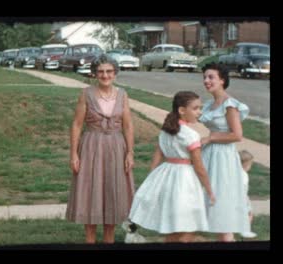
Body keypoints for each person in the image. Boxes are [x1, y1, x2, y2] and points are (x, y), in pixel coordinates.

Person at [128, 91, 215, 243]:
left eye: (200, 108)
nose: (199, 112)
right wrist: (209, 190)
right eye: (195, 108)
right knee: (188, 224)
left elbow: (158, 154)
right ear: (182, 110)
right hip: (184, 179)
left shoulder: (166, 131)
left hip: (166, 174)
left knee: (175, 225)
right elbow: (199, 167)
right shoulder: (191, 135)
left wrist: (152, 178)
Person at [65, 54, 135, 244]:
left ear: (115, 73)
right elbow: (77, 125)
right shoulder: (86, 94)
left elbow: (127, 125)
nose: (105, 75)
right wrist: (73, 154)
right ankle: (90, 240)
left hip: (116, 147)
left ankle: (109, 240)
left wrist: (130, 152)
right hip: (91, 146)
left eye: (109, 71)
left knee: (113, 192)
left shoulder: (123, 94)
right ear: (95, 74)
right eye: (101, 71)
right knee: (90, 192)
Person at [199, 63, 251, 242]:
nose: (206, 81)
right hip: (209, 156)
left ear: (222, 80)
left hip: (223, 158)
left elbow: (237, 135)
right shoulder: (210, 104)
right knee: (206, 205)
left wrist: (211, 138)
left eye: (211, 77)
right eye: (205, 77)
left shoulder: (230, 105)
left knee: (222, 209)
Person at [238, 150, 258, 239]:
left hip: (234, 198)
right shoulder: (244, 175)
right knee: (249, 214)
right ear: (246, 164)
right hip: (242, 198)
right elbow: (243, 189)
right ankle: (245, 231)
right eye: (250, 164)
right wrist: (246, 200)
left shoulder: (234, 172)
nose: (250, 166)